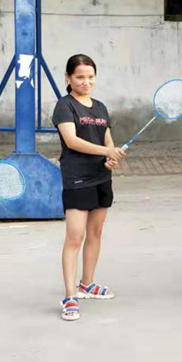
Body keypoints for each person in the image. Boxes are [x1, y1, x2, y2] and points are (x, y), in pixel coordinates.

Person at [52, 54, 125, 321]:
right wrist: (106, 151)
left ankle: (87, 284)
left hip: (101, 178)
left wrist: (111, 157)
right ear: (68, 78)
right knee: (75, 237)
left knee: (95, 233)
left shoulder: (101, 107)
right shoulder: (65, 106)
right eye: (80, 77)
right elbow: (71, 141)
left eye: (91, 77)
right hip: (77, 179)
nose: (86, 82)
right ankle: (70, 295)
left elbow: (107, 138)